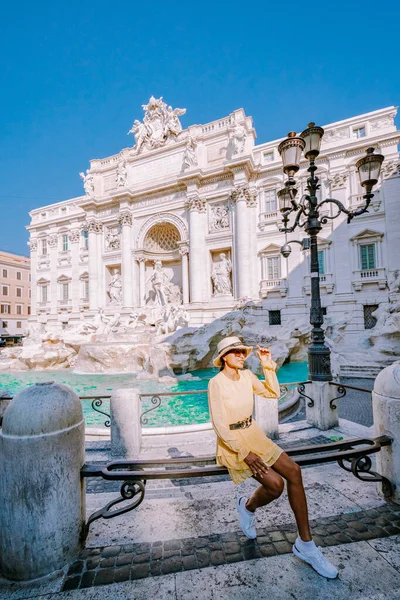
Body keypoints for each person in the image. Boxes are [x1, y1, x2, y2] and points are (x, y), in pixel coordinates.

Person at [208, 336, 338, 579]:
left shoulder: (247, 376)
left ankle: (306, 545)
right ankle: (247, 507)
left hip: (254, 433)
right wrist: (244, 452)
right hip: (234, 443)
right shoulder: (216, 383)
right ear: (223, 357)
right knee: (276, 485)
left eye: (242, 351)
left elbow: (273, 393)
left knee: (295, 472)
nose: (240, 355)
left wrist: (268, 365)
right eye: (234, 352)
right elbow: (218, 423)